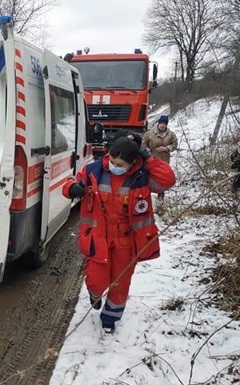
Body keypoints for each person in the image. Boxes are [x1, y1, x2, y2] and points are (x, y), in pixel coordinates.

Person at [62, 137, 176, 334]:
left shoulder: (142, 177)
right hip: (99, 238)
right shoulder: (94, 171)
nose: (114, 166)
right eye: (112, 161)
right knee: (96, 279)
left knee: (120, 283)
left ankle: (110, 318)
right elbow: (70, 182)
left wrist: (148, 159)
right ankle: (94, 295)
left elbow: (168, 180)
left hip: (126, 241)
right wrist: (72, 188)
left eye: (119, 164)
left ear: (132, 163)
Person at [141, 115, 178, 200]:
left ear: (166, 125)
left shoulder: (171, 134)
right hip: (152, 160)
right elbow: (143, 144)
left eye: (164, 124)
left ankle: (161, 196)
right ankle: (147, 195)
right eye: (161, 123)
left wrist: (166, 148)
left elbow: (175, 145)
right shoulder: (150, 133)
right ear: (158, 123)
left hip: (164, 160)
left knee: (162, 178)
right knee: (149, 177)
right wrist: (148, 152)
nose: (162, 125)